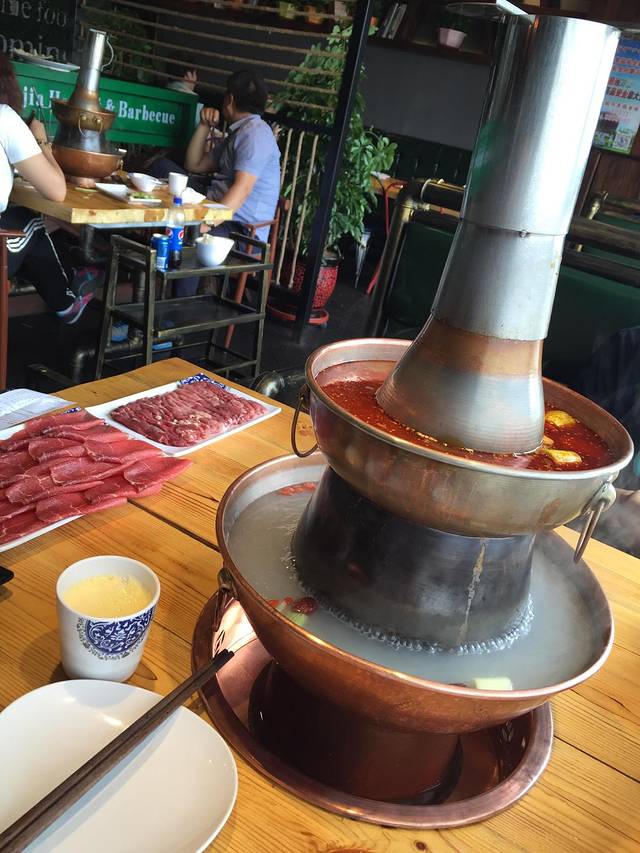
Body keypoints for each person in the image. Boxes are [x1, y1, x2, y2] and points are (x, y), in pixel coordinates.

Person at [151, 69, 281, 296]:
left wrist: (204, 225)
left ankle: (176, 312)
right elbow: (195, 164)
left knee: (194, 239)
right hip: (217, 208)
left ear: (229, 99)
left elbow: (242, 189)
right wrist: (204, 125)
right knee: (162, 167)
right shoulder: (240, 131)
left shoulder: (255, 134)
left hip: (242, 231)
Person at [0, 53, 94, 323]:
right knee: (30, 221)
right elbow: (56, 191)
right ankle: (66, 304)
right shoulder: (4, 118)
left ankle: (68, 287)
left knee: (24, 232)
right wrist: (41, 141)